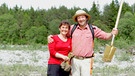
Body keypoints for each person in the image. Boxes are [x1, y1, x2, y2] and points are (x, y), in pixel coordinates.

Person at [48, 9, 118, 76]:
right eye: (79, 18)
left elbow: (106, 36)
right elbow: (63, 33)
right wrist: (51, 37)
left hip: (87, 61)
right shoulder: (72, 28)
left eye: (82, 17)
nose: (81, 19)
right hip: (74, 60)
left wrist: (112, 33)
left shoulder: (93, 29)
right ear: (76, 19)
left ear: (86, 18)